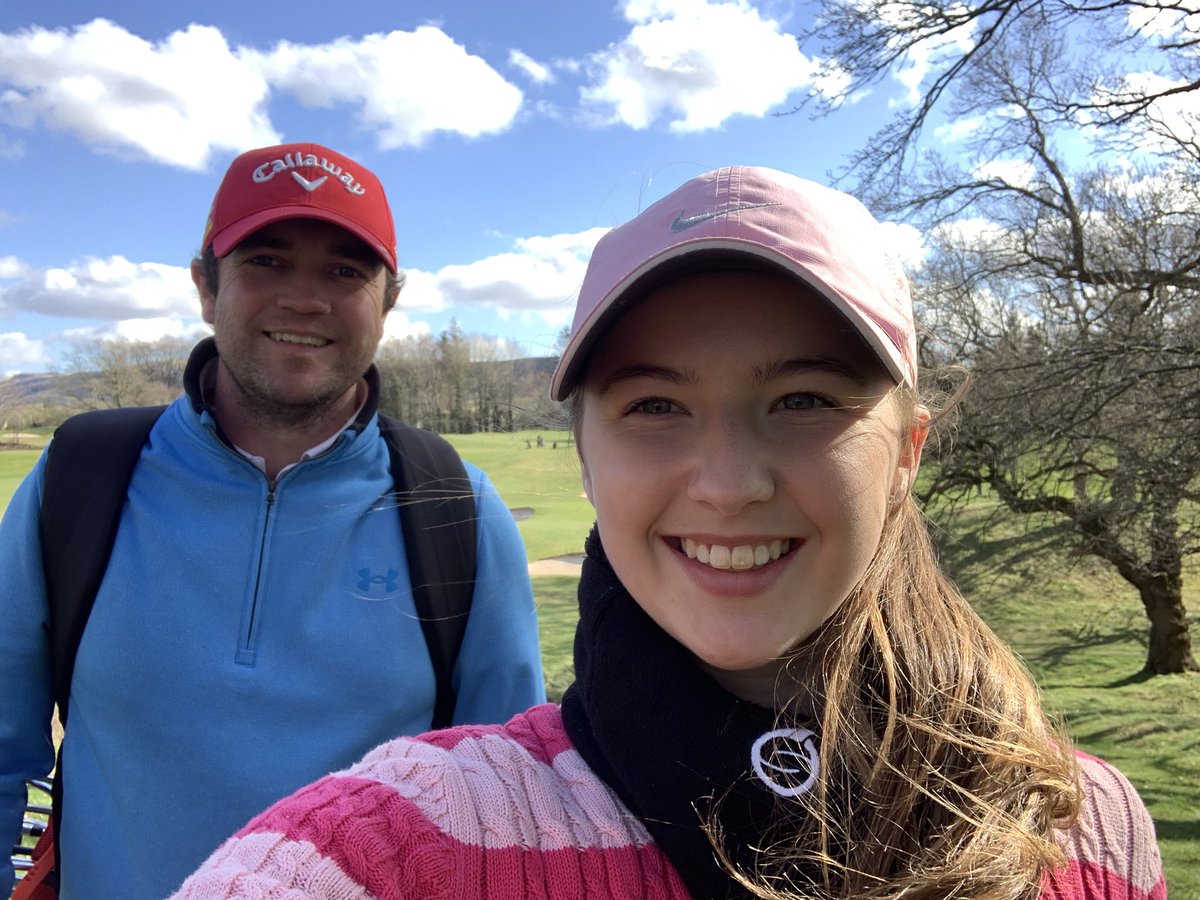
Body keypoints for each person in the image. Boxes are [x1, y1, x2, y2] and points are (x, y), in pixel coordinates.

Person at [170, 166, 1165, 899]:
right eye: (653, 406)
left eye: (805, 398)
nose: (729, 486)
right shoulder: (391, 850)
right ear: (587, 455)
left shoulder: (1097, 830)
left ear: (908, 450)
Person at [0, 142, 545, 899]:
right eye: (266, 260)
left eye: (346, 272)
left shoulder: (457, 508)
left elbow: (509, 804)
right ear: (205, 285)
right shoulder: (79, 476)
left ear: (388, 302)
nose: (304, 298)